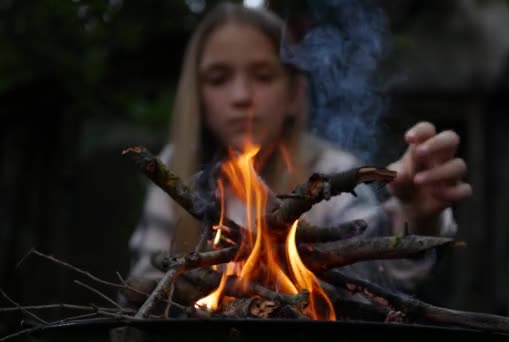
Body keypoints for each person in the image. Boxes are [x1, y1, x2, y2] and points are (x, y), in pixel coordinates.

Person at [127, 2, 472, 294]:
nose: (241, 97)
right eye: (218, 78)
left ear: (293, 95)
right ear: (198, 97)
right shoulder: (175, 169)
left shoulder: (331, 170)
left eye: (263, 76)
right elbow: (145, 282)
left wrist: (415, 216)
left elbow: (373, 272)